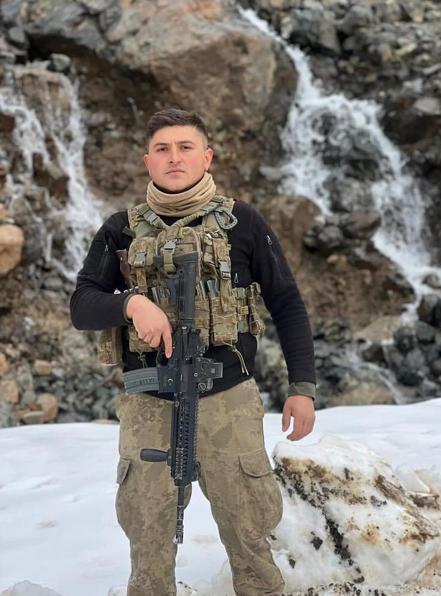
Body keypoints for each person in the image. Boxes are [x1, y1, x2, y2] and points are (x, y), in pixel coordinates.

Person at [70, 107, 316, 596]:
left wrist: (302, 387)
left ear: (207, 157)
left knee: (250, 532)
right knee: (148, 541)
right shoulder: (120, 229)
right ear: (147, 161)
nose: (174, 157)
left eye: (185, 147)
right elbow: (82, 305)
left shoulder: (243, 223)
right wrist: (131, 304)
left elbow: (287, 303)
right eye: (162, 149)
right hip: (149, 402)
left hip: (228, 399)